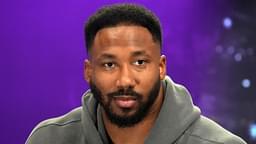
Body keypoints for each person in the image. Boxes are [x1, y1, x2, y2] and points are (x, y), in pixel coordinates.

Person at [26, 3, 247, 144]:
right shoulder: (49, 139)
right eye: (109, 65)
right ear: (89, 71)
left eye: (139, 62)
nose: (125, 80)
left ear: (161, 67)